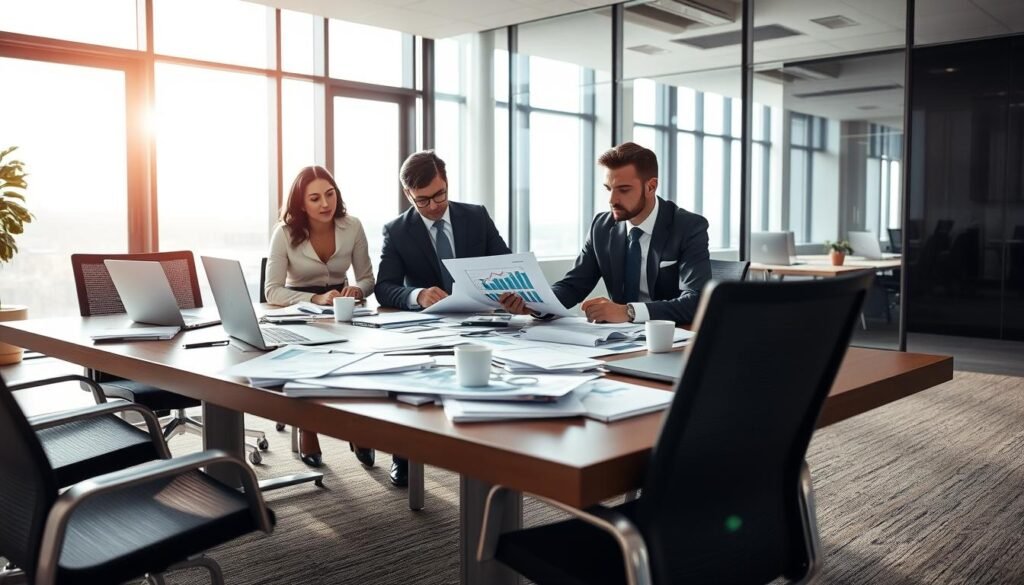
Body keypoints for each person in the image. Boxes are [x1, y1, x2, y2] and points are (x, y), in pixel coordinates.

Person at [374, 150, 511, 486]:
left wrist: (505, 288)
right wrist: (415, 295)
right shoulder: (397, 230)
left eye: (440, 195)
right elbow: (384, 287)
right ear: (409, 195)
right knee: (409, 380)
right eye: (423, 200)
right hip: (429, 325)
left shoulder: (475, 217)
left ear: (447, 183)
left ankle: (493, 448)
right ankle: (403, 455)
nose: (434, 205)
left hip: (480, 319)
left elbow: (506, 262)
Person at [500, 141, 711, 325]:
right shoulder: (601, 226)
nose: (612, 200)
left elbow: (695, 302)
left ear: (651, 186)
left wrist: (628, 311)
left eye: (623, 189)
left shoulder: (688, 226)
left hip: (671, 339)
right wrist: (535, 305)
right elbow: (573, 285)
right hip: (618, 338)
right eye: (608, 189)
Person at [265, 165, 376, 469]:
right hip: (299, 309)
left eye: (330, 194)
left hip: (342, 308)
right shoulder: (285, 233)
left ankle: (358, 427)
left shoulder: (352, 225)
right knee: (305, 362)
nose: (325, 204)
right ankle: (308, 429)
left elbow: (368, 279)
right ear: (301, 203)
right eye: (315, 199)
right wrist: (314, 298)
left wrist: (356, 290)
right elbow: (272, 291)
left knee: (360, 360)